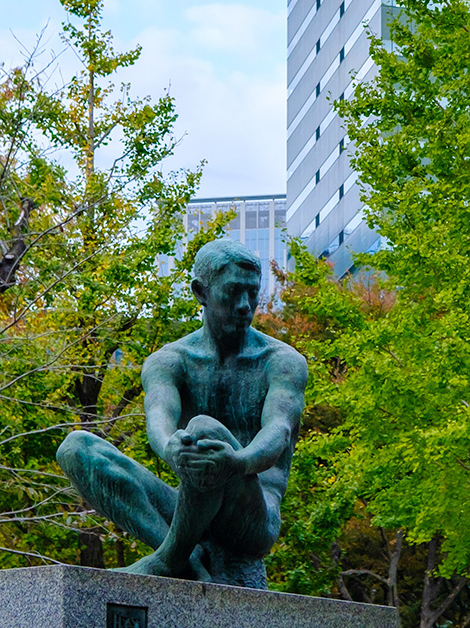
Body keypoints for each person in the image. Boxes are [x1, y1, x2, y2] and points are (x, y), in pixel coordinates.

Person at [56, 238, 308, 586]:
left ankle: (167, 559)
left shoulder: (282, 362)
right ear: (200, 292)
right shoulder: (169, 361)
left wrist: (238, 462)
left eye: (253, 293)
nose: (245, 305)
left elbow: (278, 430)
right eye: (233, 292)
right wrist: (170, 446)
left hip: (250, 517)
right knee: (76, 448)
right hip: (191, 510)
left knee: (204, 430)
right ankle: (187, 561)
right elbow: (158, 417)